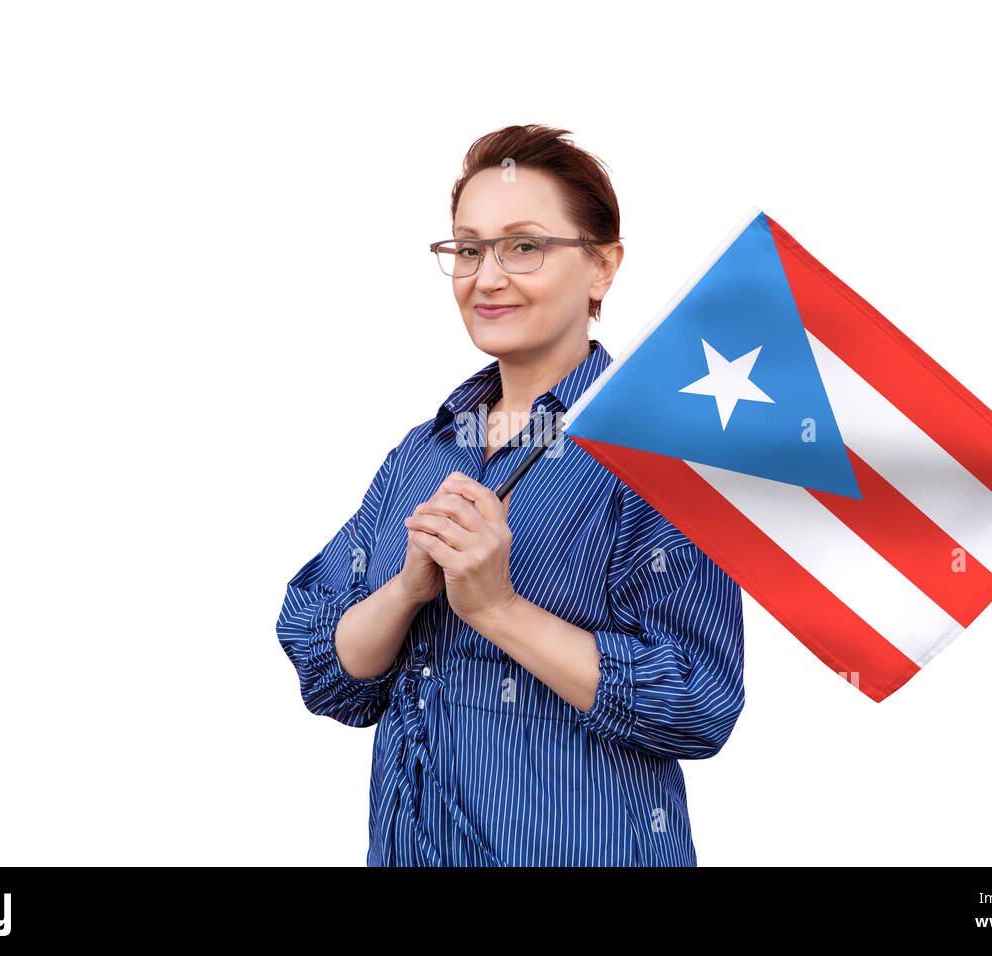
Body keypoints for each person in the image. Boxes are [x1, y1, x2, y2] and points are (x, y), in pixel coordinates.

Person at [275, 124, 745, 866]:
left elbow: (697, 704)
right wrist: (404, 592)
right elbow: (329, 673)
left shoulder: (657, 455)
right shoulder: (422, 453)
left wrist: (496, 607)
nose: (486, 277)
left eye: (523, 246)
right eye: (467, 249)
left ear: (602, 267)